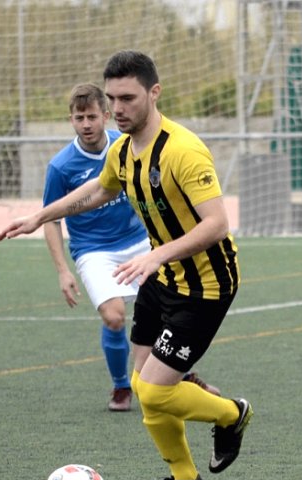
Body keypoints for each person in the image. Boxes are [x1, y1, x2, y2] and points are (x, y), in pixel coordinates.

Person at [0, 50, 252, 480]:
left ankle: (231, 414)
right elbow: (98, 190)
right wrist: (40, 216)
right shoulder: (121, 149)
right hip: (162, 275)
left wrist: (158, 255)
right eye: (111, 98)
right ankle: (184, 479)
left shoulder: (183, 150)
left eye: (128, 98)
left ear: (154, 93)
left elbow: (216, 223)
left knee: (155, 390)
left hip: (205, 284)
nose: (117, 109)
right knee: (142, 387)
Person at [42, 83, 219, 412]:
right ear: (71, 120)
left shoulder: (127, 146)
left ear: (105, 116)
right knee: (113, 317)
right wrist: (63, 270)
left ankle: (178, 373)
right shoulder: (61, 167)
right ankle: (121, 387)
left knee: (170, 307)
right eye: (79, 118)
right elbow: (51, 218)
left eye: (92, 116)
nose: (86, 124)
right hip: (94, 250)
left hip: (140, 242)